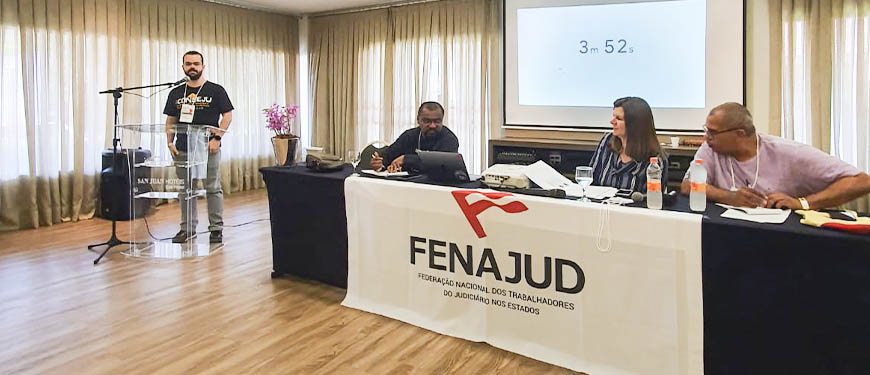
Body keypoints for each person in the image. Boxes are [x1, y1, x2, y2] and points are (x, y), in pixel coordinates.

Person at [681, 102, 870, 209]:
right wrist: (729, 197)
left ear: (739, 134)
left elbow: (862, 181)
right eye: (707, 130)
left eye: (713, 132)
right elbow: (688, 185)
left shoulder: (789, 152)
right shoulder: (711, 148)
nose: (707, 137)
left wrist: (802, 203)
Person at [163, 51, 233, 243]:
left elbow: (227, 116)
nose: (192, 67)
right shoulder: (176, 93)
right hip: (183, 148)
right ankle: (187, 229)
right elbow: (170, 120)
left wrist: (217, 137)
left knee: (212, 187)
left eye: (196, 63)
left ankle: (216, 229)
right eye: (188, 64)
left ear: (203, 66)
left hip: (208, 146)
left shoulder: (216, 90)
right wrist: (169, 142)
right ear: (183, 67)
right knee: (186, 190)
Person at [589, 96, 668, 193]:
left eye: (618, 118)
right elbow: (591, 181)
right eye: (613, 117)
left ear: (634, 125)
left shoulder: (656, 160)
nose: (612, 122)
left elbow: (653, 199)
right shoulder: (607, 141)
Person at [370, 101, 459, 173]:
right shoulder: (409, 136)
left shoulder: (450, 139)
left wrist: (406, 159)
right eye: (427, 121)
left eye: (437, 121)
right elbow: (387, 156)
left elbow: (441, 164)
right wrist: (379, 163)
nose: (432, 125)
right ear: (418, 120)